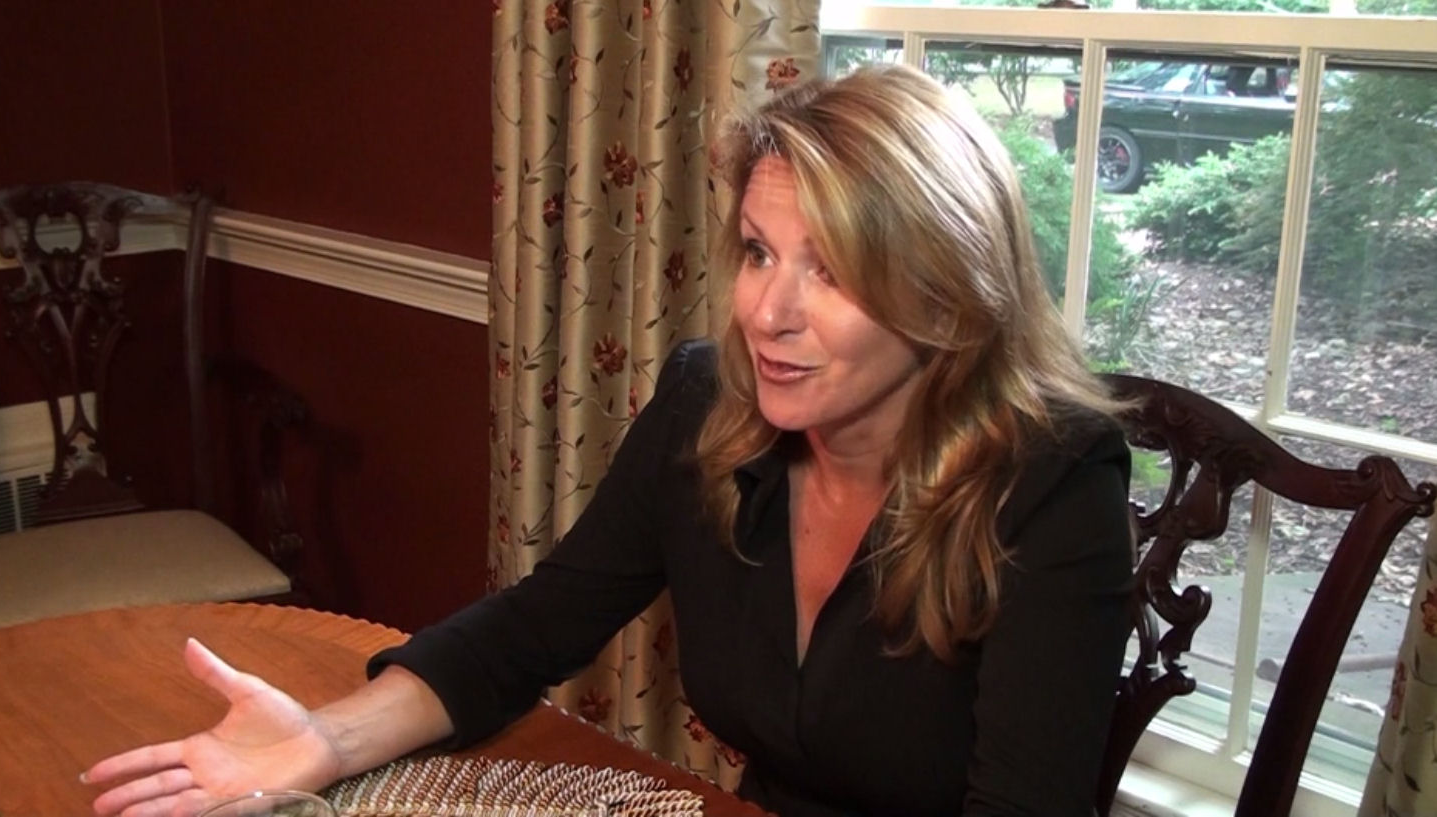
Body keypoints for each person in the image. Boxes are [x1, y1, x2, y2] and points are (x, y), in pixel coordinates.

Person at [83, 64, 1134, 817]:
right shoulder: (707, 403)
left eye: (833, 269)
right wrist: (326, 736)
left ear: (946, 296)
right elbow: (538, 623)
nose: (768, 313)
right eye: (759, 252)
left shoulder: (1052, 480)